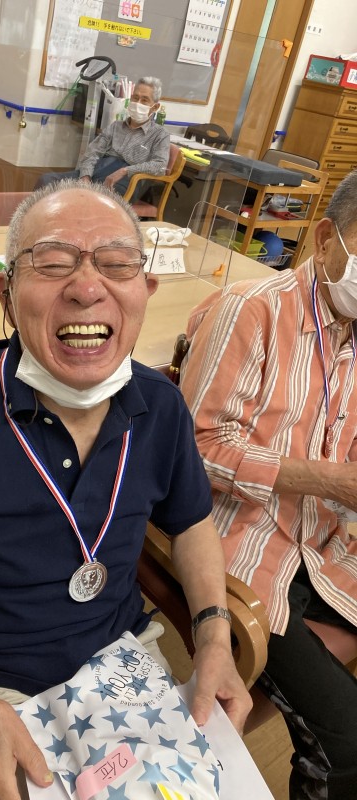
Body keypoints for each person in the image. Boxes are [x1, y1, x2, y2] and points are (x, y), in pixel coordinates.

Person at [0, 179, 251, 800]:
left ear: (146, 290)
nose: (87, 288)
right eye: (53, 263)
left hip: (123, 660)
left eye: (116, 263)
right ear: (6, 294)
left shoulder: (161, 406)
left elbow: (191, 522)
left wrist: (215, 635)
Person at [179, 171, 357, 800]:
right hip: (246, 551)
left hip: (329, 542)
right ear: (326, 238)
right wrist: (321, 477)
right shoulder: (252, 310)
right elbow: (193, 448)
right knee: (349, 743)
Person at [35, 77, 170, 199]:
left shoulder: (160, 134)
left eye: (144, 100)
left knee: (96, 199)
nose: (138, 103)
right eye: (135, 98)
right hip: (99, 170)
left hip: (125, 181)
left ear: (155, 107)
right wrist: (85, 176)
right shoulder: (116, 126)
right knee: (46, 181)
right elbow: (93, 151)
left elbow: (160, 166)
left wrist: (125, 171)